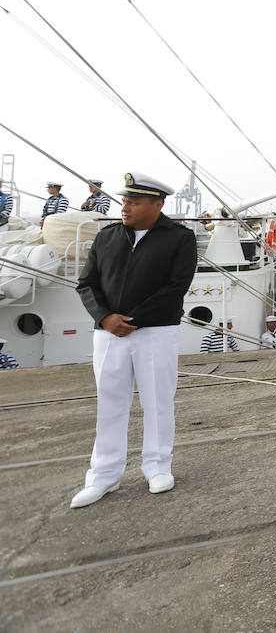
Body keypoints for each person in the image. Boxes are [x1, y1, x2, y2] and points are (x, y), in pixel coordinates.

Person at [71, 172, 197, 508]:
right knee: (110, 403)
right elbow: (86, 284)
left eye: (134, 201)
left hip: (156, 331)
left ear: (158, 204)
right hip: (109, 332)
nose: (124, 206)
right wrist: (106, 317)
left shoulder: (179, 238)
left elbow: (177, 285)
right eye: (125, 200)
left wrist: (135, 320)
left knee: (158, 400)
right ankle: (103, 475)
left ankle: (157, 466)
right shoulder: (107, 236)